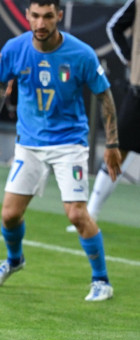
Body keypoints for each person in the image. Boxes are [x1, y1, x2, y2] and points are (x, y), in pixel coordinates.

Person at [0, 0, 122, 301]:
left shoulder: (80, 53)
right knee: (9, 216)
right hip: (29, 145)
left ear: (59, 16)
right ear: (27, 16)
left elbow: (105, 95)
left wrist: (112, 144)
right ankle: (15, 260)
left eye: (47, 17)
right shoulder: (15, 49)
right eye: (35, 16)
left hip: (69, 145)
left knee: (76, 214)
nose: (41, 23)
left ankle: (101, 281)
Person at [65, 0, 139, 232]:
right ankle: (91, 212)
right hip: (138, 92)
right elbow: (114, 27)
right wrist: (130, 57)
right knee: (117, 149)